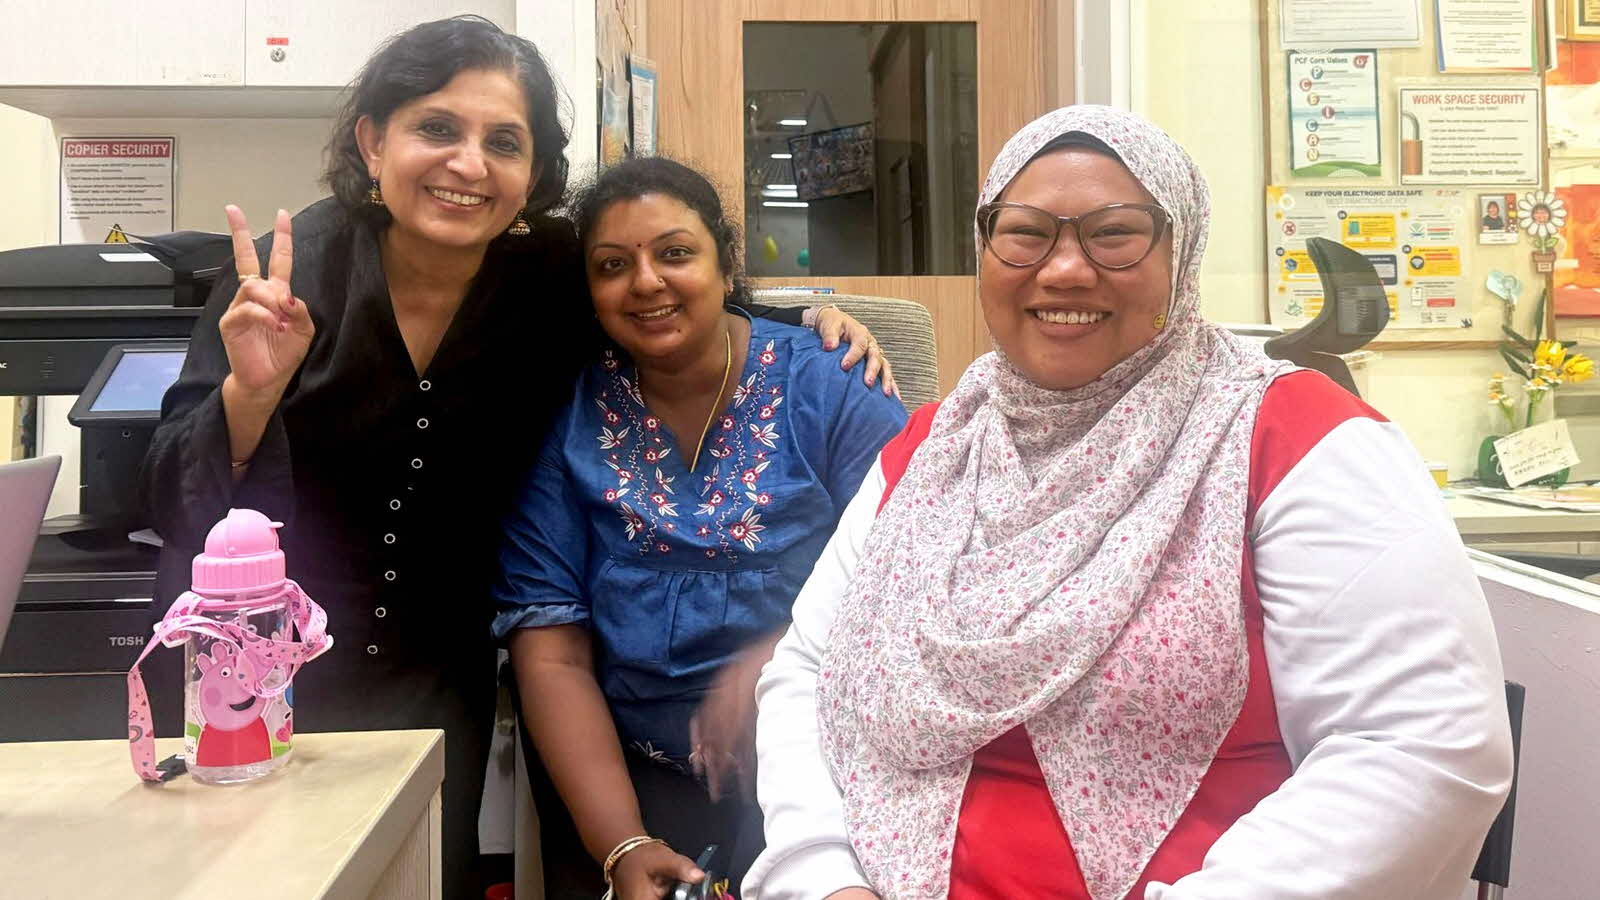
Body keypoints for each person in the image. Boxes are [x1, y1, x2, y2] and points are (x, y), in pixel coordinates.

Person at [139, 17, 893, 899]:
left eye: (503, 142)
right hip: (252, 671)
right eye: (436, 129)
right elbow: (166, 505)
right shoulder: (281, 276)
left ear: (533, 175)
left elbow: (671, 311)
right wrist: (251, 396)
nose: (468, 164)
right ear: (373, 141)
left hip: (433, 676)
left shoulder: (548, 280)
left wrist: (813, 326)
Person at [744, 106, 1515, 900]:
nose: (1065, 269)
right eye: (1025, 231)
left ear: (1182, 255)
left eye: (1114, 233)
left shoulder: (1295, 442)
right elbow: (811, 673)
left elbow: (1423, 746)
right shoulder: (930, 449)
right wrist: (823, 876)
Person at [492, 157, 908, 900]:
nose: (646, 282)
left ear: (724, 264)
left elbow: (914, 578)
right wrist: (622, 844)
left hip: (823, 758)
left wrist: (777, 662)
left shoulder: (833, 385)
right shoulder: (568, 416)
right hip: (625, 771)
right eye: (613, 265)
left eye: (676, 253)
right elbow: (550, 648)